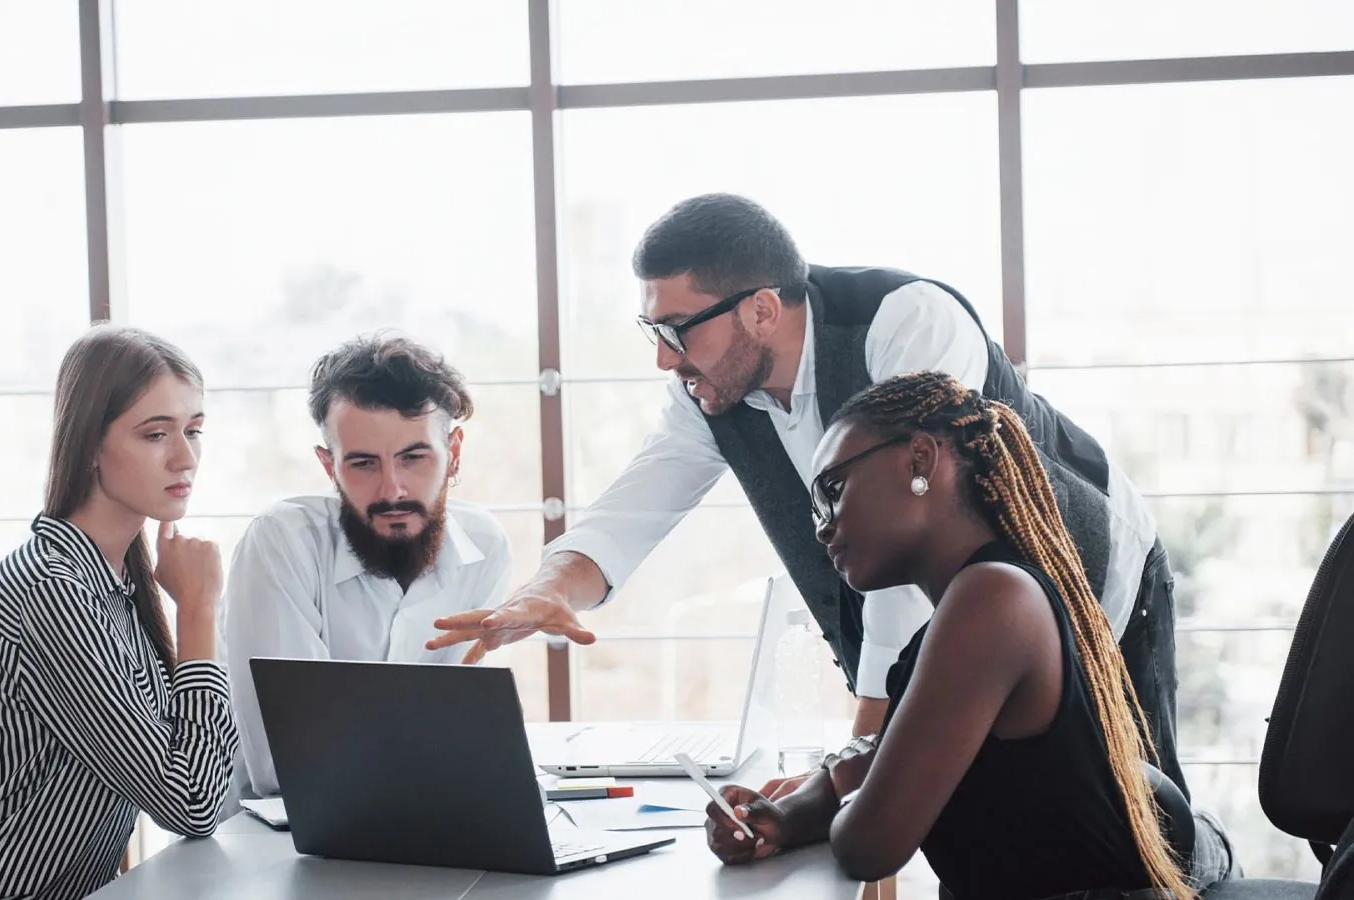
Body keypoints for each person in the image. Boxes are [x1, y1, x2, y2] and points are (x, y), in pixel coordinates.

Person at [429, 192, 1188, 798]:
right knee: (990, 843)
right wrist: (543, 590)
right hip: (964, 644)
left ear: (761, 308)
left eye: (677, 329)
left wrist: (857, 757)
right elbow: (645, 494)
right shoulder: (712, 388)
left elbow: (912, 545)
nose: (664, 358)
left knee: (1132, 832)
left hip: (1097, 587)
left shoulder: (905, 323)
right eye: (650, 329)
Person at [703, 371, 1235, 900]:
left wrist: (846, 780)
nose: (821, 526)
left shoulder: (992, 600)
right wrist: (778, 818)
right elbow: (874, 771)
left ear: (919, 460)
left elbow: (870, 844)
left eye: (833, 491)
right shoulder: (965, 608)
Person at [0, 325, 239, 900]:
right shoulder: (52, 589)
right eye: (155, 434)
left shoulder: (117, 585)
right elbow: (192, 802)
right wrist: (197, 609)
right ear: (90, 444)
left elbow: (203, 777)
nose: (186, 457)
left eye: (195, 431)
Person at [222, 334, 512, 797]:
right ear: (328, 465)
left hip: (424, 817)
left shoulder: (484, 546)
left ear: (453, 453)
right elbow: (285, 763)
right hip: (273, 840)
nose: (391, 490)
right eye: (362, 463)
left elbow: (467, 737)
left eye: (413, 457)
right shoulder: (282, 542)